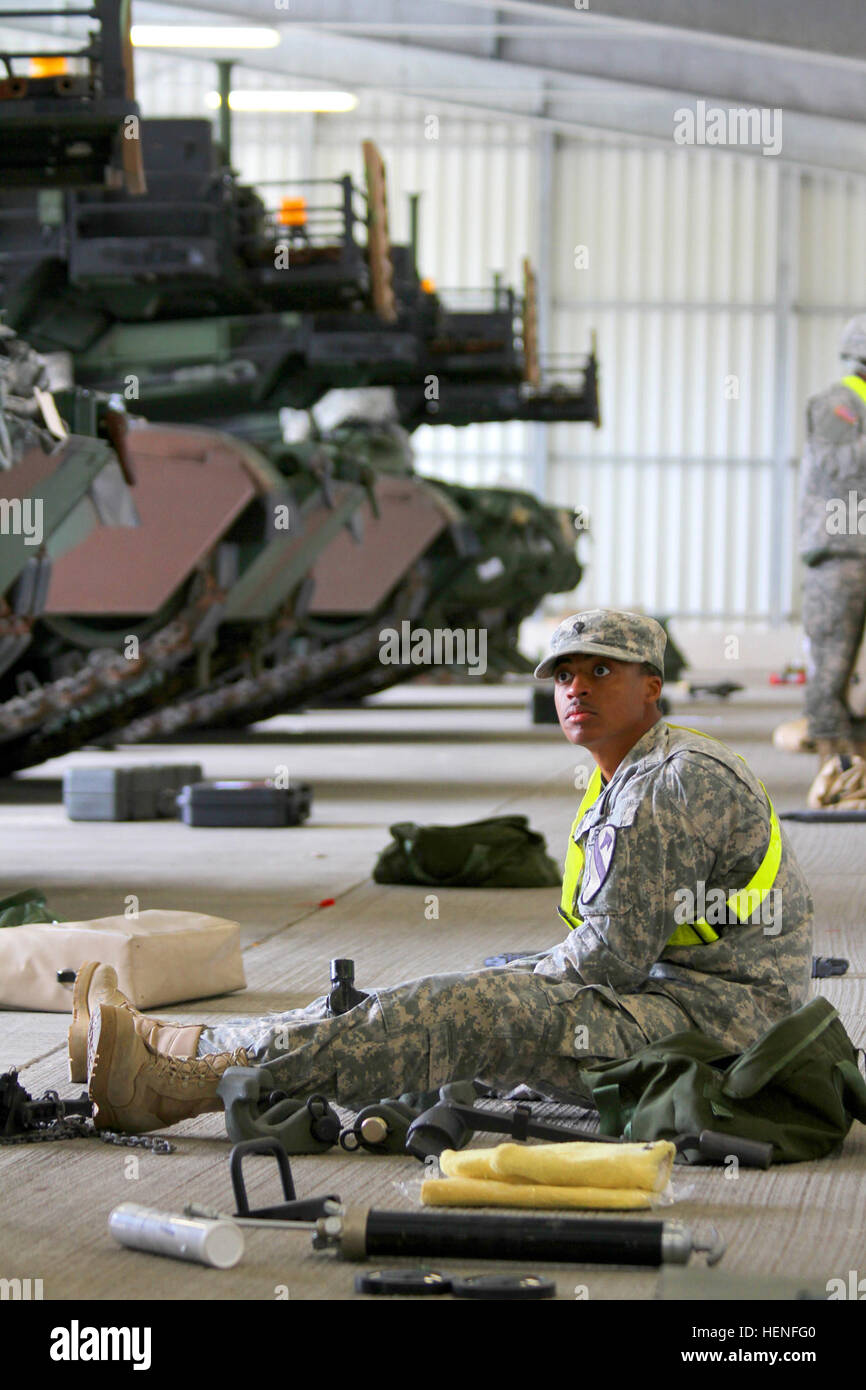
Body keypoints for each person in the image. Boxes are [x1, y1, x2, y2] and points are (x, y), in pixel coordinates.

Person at [77, 610, 813, 1135]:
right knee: (442, 995)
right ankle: (183, 1044)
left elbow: (609, 960)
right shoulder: (629, 771)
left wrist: (501, 985)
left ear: (652, 687)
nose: (575, 689)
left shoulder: (671, 781)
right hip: (675, 1001)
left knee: (465, 1009)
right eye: (563, 675)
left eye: (600, 671)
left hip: (720, 1033)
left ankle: (185, 1086)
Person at [799, 314, 866, 767]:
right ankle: (831, 760)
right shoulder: (836, 404)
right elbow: (835, 466)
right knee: (834, 658)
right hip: (842, 547)